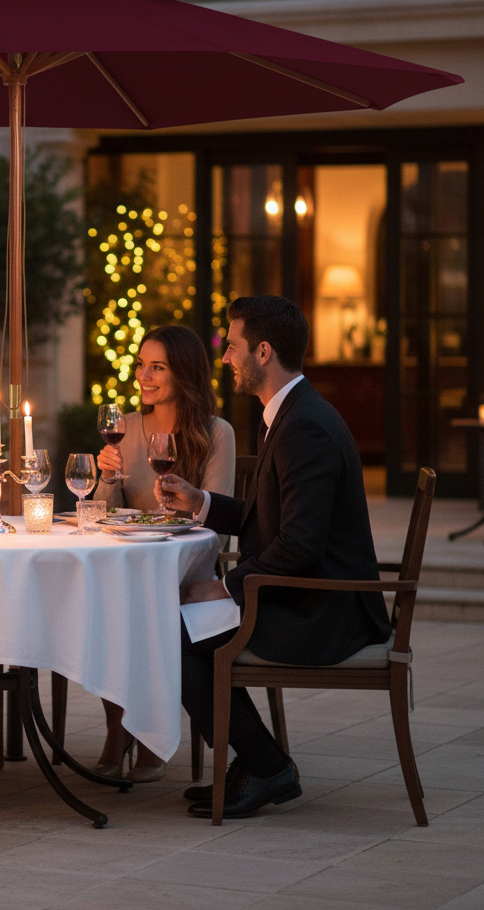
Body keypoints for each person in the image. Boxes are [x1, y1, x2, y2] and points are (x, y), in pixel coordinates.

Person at [156, 296, 391, 819]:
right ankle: (257, 761)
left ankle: (266, 765)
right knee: (179, 627)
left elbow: (301, 546)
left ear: (263, 352)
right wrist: (204, 503)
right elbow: (278, 521)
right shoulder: (291, 413)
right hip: (305, 593)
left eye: (232, 347)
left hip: (323, 610)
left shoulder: (303, 425)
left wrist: (226, 587)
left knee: (174, 635)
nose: (225, 359)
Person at [92, 325, 235, 783]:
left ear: (184, 373)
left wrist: (186, 501)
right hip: (131, 563)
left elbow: (218, 522)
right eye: (141, 364)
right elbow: (101, 514)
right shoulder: (126, 428)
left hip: (189, 571)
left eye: (158, 367)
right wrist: (107, 478)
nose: (144, 376)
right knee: (101, 606)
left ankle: (147, 737)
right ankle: (119, 729)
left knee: (138, 609)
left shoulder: (216, 433)